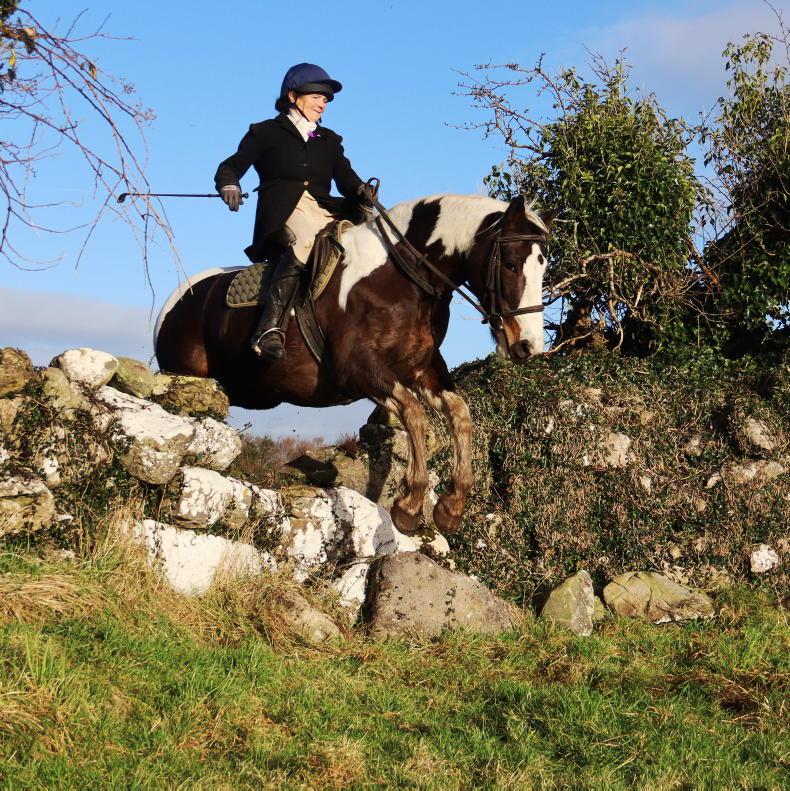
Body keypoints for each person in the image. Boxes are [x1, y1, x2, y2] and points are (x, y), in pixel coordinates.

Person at [214, 63, 374, 360]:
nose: (322, 103)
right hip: (283, 208)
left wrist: (362, 189)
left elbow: (345, 178)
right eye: (316, 96)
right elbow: (231, 166)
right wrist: (229, 185)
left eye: (325, 99)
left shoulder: (330, 140)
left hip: (322, 208)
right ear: (292, 96)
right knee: (307, 241)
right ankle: (269, 327)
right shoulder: (265, 132)